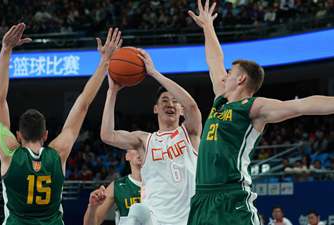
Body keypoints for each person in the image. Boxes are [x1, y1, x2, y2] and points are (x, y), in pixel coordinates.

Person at [187, 0, 334, 224]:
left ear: (241, 79)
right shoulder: (220, 100)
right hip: (202, 197)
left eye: (230, 72)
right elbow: (214, 60)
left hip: (231, 197)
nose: (224, 75)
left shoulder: (253, 107)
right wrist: (208, 26)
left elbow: (302, 105)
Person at [0, 23, 122, 225]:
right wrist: (105, 62)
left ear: (18, 136)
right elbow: (83, 105)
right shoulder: (58, 152)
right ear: (45, 135)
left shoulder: (9, 152)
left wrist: (6, 50)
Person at [100, 49, 202, 225]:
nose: (170, 104)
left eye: (174, 101)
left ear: (181, 110)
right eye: (164, 100)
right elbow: (107, 135)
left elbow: (192, 106)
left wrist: (154, 73)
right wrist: (112, 92)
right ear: (155, 109)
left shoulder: (190, 133)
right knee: (136, 210)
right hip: (155, 219)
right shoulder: (144, 140)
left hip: (189, 218)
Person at [83, 150, 142, 225]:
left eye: (144, 148)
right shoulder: (116, 186)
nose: (140, 151)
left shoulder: (160, 184)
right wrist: (92, 207)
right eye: (135, 147)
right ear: (127, 156)